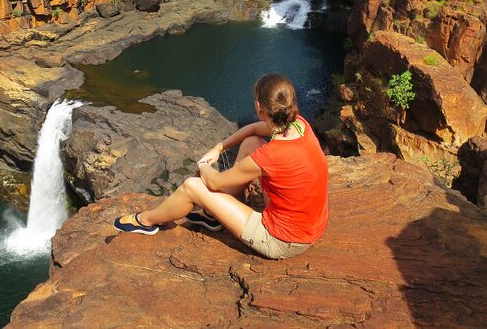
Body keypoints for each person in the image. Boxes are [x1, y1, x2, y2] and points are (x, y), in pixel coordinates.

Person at [114, 73, 329, 260]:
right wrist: (219, 147)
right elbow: (255, 129)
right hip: (309, 226)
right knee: (251, 143)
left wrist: (204, 164)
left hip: (281, 239)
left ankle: (145, 221)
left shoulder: (271, 155)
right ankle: (214, 214)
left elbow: (214, 181)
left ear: (258, 107)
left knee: (192, 186)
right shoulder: (299, 124)